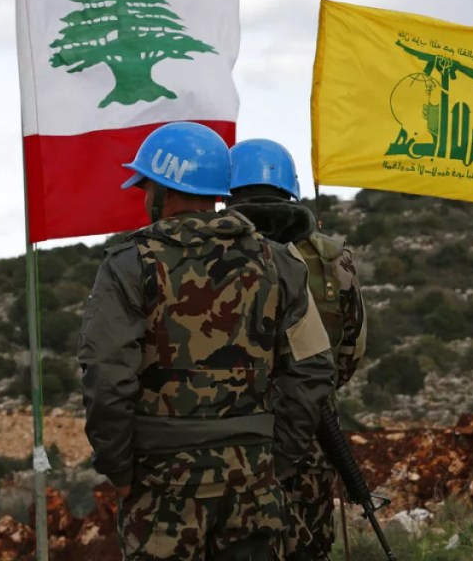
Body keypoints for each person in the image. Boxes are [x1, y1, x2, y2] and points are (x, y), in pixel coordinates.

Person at [78, 122, 336, 560]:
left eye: (146, 187)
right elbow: (313, 366)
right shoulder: (278, 262)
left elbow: (106, 376)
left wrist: (118, 469)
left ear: (164, 191)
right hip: (253, 480)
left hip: (162, 484)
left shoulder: (129, 264)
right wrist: (278, 459)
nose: (143, 197)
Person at [227, 138, 367, 560]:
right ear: (291, 188)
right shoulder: (331, 258)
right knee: (308, 547)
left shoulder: (211, 251)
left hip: (232, 437)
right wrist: (312, 393)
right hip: (311, 431)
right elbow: (351, 349)